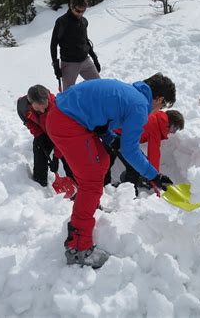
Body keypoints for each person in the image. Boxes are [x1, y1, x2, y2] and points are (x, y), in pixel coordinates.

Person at [46, 73, 176, 268]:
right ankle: (79, 247)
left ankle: (82, 215)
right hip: (68, 123)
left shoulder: (130, 92)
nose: (159, 110)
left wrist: (109, 137)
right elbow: (130, 150)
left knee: (102, 161)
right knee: (92, 181)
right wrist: (154, 176)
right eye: (163, 105)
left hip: (64, 115)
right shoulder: (140, 105)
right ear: (158, 98)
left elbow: (98, 115)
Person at [105, 110, 185, 194]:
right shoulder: (155, 126)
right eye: (174, 128)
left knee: (107, 161)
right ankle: (128, 196)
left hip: (112, 132)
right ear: (169, 122)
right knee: (135, 167)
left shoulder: (156, 118)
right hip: (117, 136)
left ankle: (109, 187)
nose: (172, 132)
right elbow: (154, 155)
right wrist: (155, 179)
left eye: (175, 131)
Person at [17, 85, 73, 187]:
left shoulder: (58, 108)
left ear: (48, 99)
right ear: (30, 103)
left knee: (68, 158)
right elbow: (29, 122)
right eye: (37, 108)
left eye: (44, 106)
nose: (42, 111)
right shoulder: (23, 107)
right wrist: (39, 135)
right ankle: (39, 182)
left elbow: (62, 137)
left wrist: (56, 158)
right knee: (39, 148)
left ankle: (75, 183)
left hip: (63, 137)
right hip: (44, 133)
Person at [50, 0, 101, 91]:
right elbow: (53, 44)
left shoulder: (84, 21)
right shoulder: (62, 22)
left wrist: (94, 58)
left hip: (85, 60)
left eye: (83, 11)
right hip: (69, 63)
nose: (80, 14)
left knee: (99, 86)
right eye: (78, 11)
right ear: (71, 6)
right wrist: (56, 65)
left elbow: (85, 40)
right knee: (68, 94)